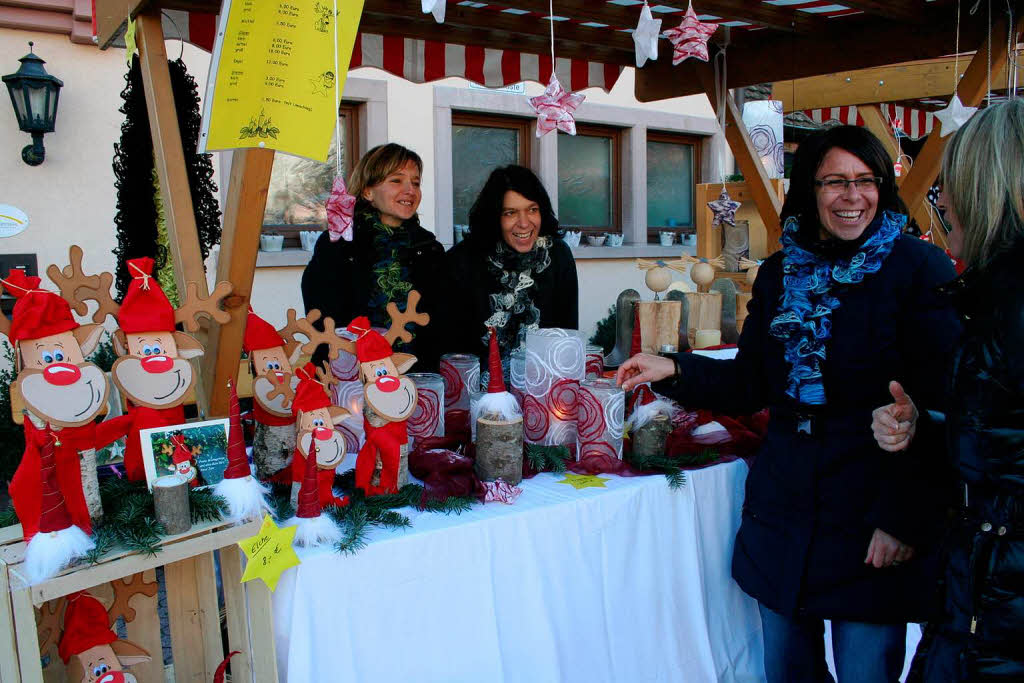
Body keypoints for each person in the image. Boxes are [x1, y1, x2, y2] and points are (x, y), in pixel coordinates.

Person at [616, 126, 960, 682]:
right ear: (809, 190)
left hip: (872, 507)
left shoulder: (919, 270)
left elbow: (942, 409)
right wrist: (675, 369)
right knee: (787, 672)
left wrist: (903, 521)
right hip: (786, 503)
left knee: (864, 673)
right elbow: (752, 383)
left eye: (866, 181)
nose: (853, 197)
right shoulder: (779, 274)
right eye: (835, 183)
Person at [871, 100, 1024, 681]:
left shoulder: (1010, 304)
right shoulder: (991, 296)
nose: (943, 204)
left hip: (1001, 604)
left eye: (947, 187)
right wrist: (928, 427)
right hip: (984, 590)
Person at [301, 144, 444, 369]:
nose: (410, 190)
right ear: (368, 191)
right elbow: (323, 317)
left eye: (415, 182)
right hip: (350, 376)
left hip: (415, 376)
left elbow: (439, 323)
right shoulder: (339, 245)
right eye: (396, 180)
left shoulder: (428, 247)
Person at [439, 165, 578, 362]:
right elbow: (452, 349)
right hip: (479, 388)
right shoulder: (462, 261)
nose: (524, 223)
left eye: (532, 209)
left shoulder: (558, 255)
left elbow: (566, 338)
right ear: (494, 217)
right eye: (510, 213)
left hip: (542, 384)